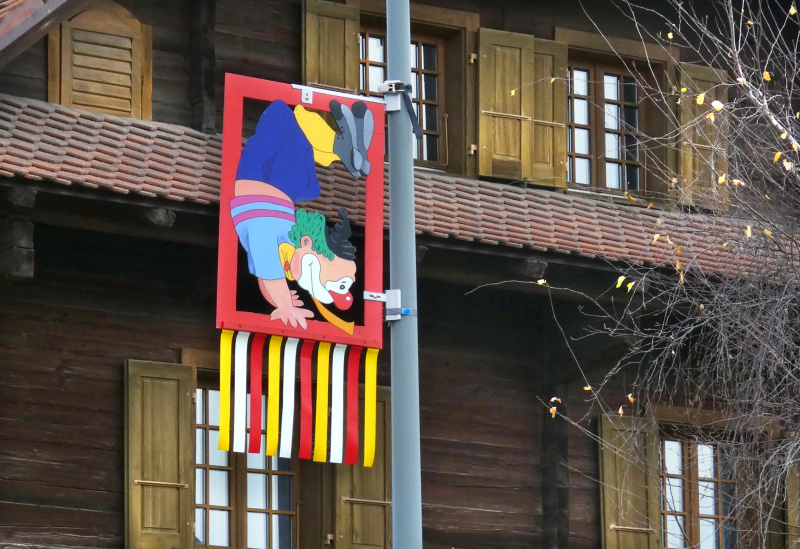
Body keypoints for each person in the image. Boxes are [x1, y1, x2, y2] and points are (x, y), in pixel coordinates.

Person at [230, 98, 373, 331]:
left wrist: (282, 302)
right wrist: (283, 301)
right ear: (306, 242)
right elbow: (268, 273)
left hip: (259, 178)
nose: (344, 294)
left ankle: (343, 149)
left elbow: (267, 271)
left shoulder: (266, 233)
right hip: (280, 188)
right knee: (300, 154)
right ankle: (344, 150)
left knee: (282, 118)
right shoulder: (284, 244)